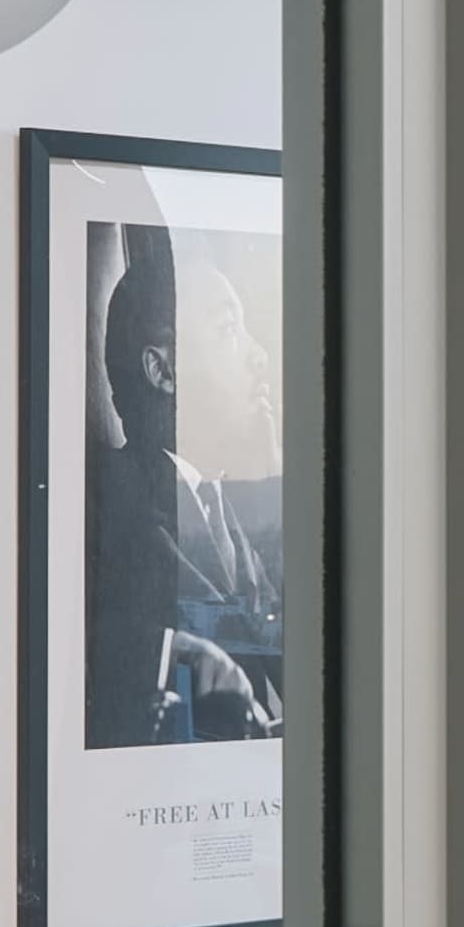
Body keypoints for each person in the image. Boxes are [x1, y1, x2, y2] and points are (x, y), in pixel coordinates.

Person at [84, 221, 281, 744]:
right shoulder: (107, 499)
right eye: (228, 330)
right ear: (163, 369)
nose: (260, 354)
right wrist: (176, 653)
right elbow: (83, 638)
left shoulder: (233, 513)